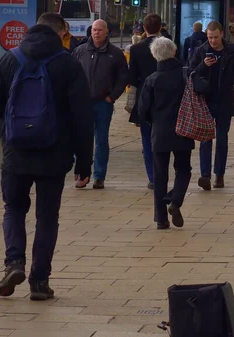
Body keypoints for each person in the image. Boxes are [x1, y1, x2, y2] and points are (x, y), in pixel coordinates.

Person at [0, 13, 94, 301]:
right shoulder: (68, 63)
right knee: (47, 217)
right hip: (54, 154)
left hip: (16, 151)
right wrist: (84, 162)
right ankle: (40, 282)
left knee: (13, 209)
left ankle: (14, 263)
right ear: (61, 31)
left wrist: (14, 122)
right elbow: (83, 117)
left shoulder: (10, 58)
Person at [137, 37, 193, 230]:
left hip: (159, 131)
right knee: (183, 169)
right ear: (174, 52)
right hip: (183, 128)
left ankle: (161, 218)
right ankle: (175, 200)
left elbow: (142, 109)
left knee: (160, 174)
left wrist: (151, 120)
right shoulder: (185, 75)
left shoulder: (151, 79)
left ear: (155, 56)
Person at [189, 21, 234, 190]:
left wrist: (230, 79)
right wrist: (203, 66)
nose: (212, 41)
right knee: (205, 139)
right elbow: (190, 71)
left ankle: (219, 175)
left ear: (222, 34)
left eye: (215, 37)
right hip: (205, 100)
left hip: (224, 100)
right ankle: (205, 175)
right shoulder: (201, 50)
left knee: (222, 139)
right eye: (210, 37)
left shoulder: (232, 51)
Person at [72, 19, 129, 190]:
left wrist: (112, 97)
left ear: (106, 33)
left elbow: (124, 77)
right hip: (83, 104)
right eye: (94, 30)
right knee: (82, 139)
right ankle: (83, 173)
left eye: (99, 30)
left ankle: (99, 176)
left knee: (101, 140)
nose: (96, 33)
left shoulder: (115, 54)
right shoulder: (80, 51)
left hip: (103, 103)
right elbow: (71, 74)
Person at [128, 14, 163, 190]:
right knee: (162, 138)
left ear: (144, 29)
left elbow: (132, 77)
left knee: (146, 140)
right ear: (160, 28)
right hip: (164, 97)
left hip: (144, 97)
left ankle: (152, 177)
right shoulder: (167, 45)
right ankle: (161, 172)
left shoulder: (136, 49)